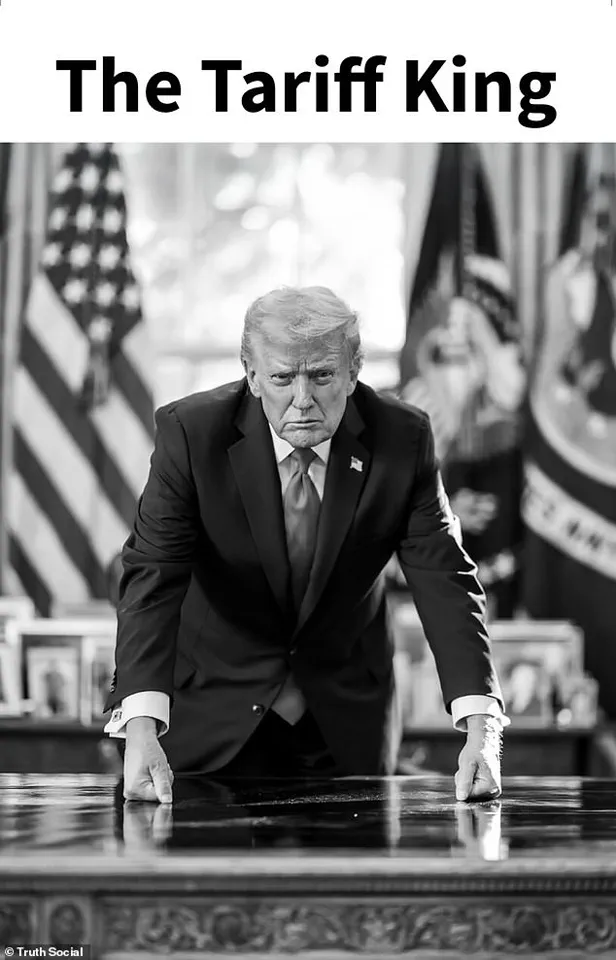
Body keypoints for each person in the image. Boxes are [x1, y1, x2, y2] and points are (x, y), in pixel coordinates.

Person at [104, 286, 506, 803]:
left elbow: (445, 580)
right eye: (281, 378)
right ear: (251, 375)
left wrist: (482, 729)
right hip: (210, 712)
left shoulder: (402, 438)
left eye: (321, 375)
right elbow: (152, 578)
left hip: (345, 718)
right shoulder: (191, 434)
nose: (302, 399)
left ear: (353, 371)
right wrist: (139, 727)